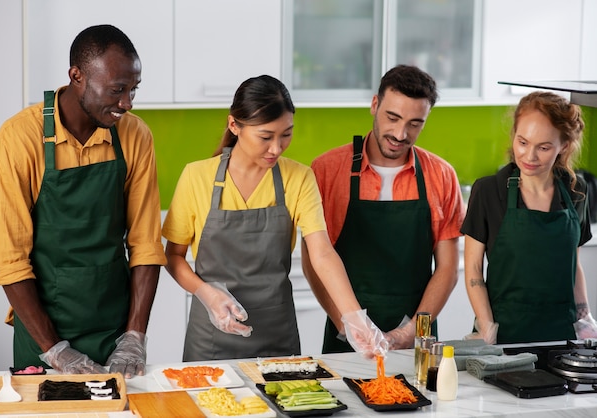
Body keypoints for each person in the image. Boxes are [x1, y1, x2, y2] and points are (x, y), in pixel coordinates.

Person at [162, 75, 387, 361]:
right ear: (235, 126)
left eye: (286, 134)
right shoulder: (197, 176)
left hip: (277, 336)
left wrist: (354, 316)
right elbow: (173, 257)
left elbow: (322, 254)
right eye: (265, 137)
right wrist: (206, 293)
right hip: (212, 337)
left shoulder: (299, 178)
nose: (276, 149)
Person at [0, 25, 166, 377]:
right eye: (117, 90)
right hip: (42, 334)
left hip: (114, 328)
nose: (127, 103)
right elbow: (9, 260)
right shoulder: (20, 137)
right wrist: (55, 351)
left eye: (133, 90)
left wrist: (134, 336)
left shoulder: (135, 135)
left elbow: (146, 244)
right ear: (77, 75)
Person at [302, 65, 465, 353]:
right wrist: (347, 326)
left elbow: (448, 269)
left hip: (416, 338)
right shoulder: (327, 170)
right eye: (393, 118)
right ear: (375, 105)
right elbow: (313, 261)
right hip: (346, 338)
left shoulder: (441, 175)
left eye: (415, 123)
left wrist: (413, 330)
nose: (401, 133)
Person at [461, 91, 597, 344]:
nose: (529, 156)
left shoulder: (576, 191)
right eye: (523, 142)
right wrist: (487, 327)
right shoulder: (489, 191)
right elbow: (474, 269)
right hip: (504, 335)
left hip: (561, 336)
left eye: (544, 147)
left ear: (564, 146)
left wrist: (584, 316)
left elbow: (573, 264)